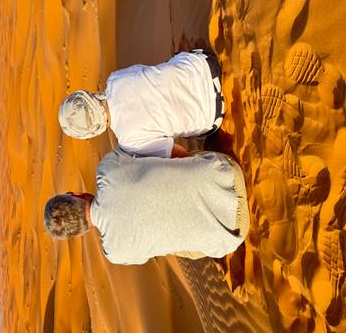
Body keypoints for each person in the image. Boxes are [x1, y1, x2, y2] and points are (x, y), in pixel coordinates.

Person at [44, 149, 250, 265]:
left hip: (234, 233)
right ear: (76, 194)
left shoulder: (116, 254)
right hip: (229, 176)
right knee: (164, 161)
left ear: (79, 233)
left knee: (167, 244)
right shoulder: (106, 169)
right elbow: (160, 150)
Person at [58, 49, 224, 158]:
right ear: (87, 96)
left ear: (92, 132)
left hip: (212, 116)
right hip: (206, 65)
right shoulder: (115, 79)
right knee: (168, 65)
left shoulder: (129, 141)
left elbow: (180, 155)